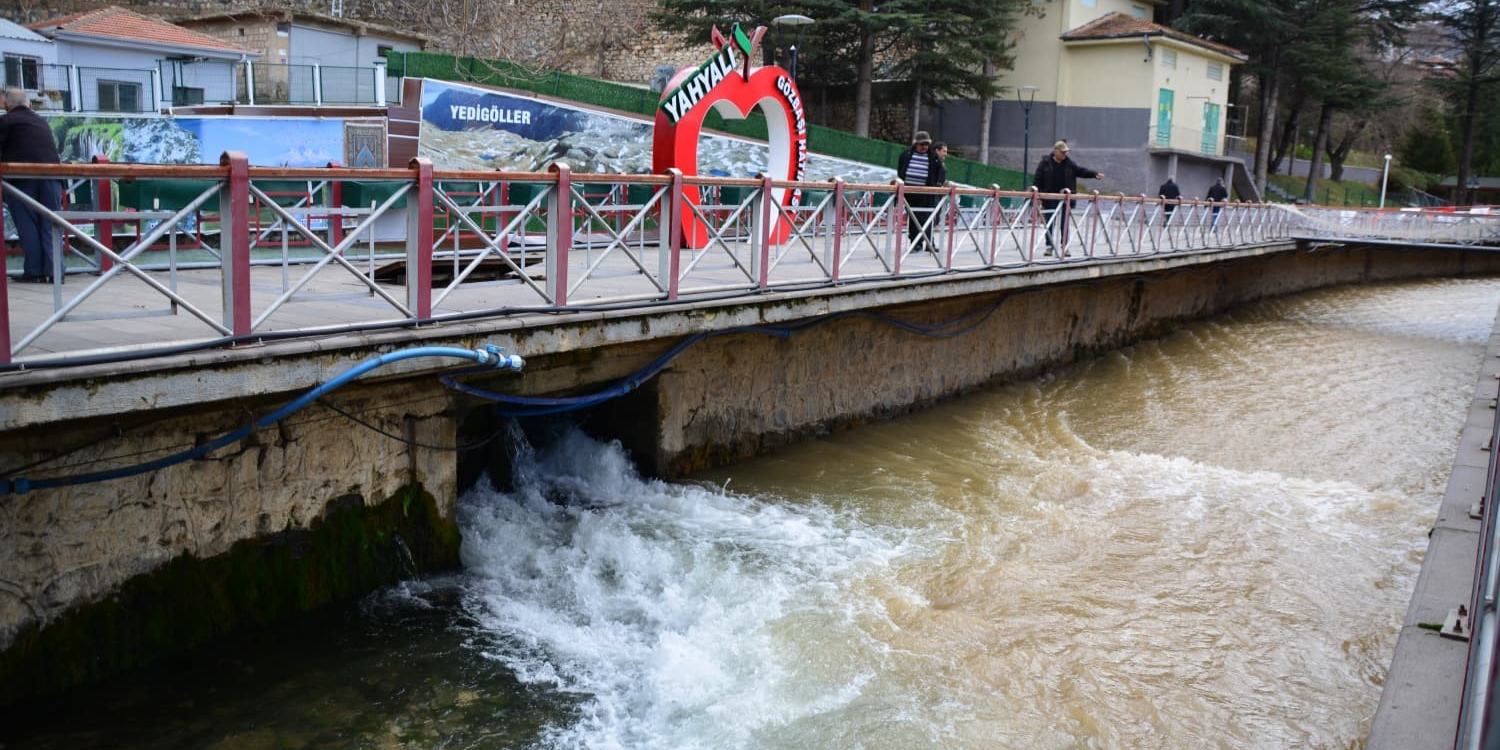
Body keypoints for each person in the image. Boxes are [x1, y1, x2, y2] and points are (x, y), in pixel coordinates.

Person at [0, 87, 61, 283]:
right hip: (52, 177)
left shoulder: (6, 121)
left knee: (28, 224)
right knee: (51, 224)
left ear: (6, 104)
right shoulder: (41, 122)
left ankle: (34, 271)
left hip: (22, 179)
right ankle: (55, 271)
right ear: (28, 103)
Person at [1032, 140, 1104, 255]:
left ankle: (1065, 247)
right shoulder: (1045, 163)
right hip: (1049, 198)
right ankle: (1049, 246)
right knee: (1050, 222)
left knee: (1064, 223)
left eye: (1066, 152)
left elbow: (1081, 171)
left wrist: (1094, 174)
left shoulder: (1069, 163)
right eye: (1063, 152)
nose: (1065, 154)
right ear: (1056, 151)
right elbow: (1037, 179)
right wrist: (1037, 194)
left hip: (1065, 198)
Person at [897, 130, 945, 252]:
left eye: (927, 144)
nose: (925, 147)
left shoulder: (933, 157)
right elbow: (900, 170)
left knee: (928, 218)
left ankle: (929, 243)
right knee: (913, 218)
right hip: (910, 192)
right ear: (916, 144)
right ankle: (916, 243)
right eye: (922, 144)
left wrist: (938, 185)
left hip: (926, 193)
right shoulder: (906, 154)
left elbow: (941, 172)